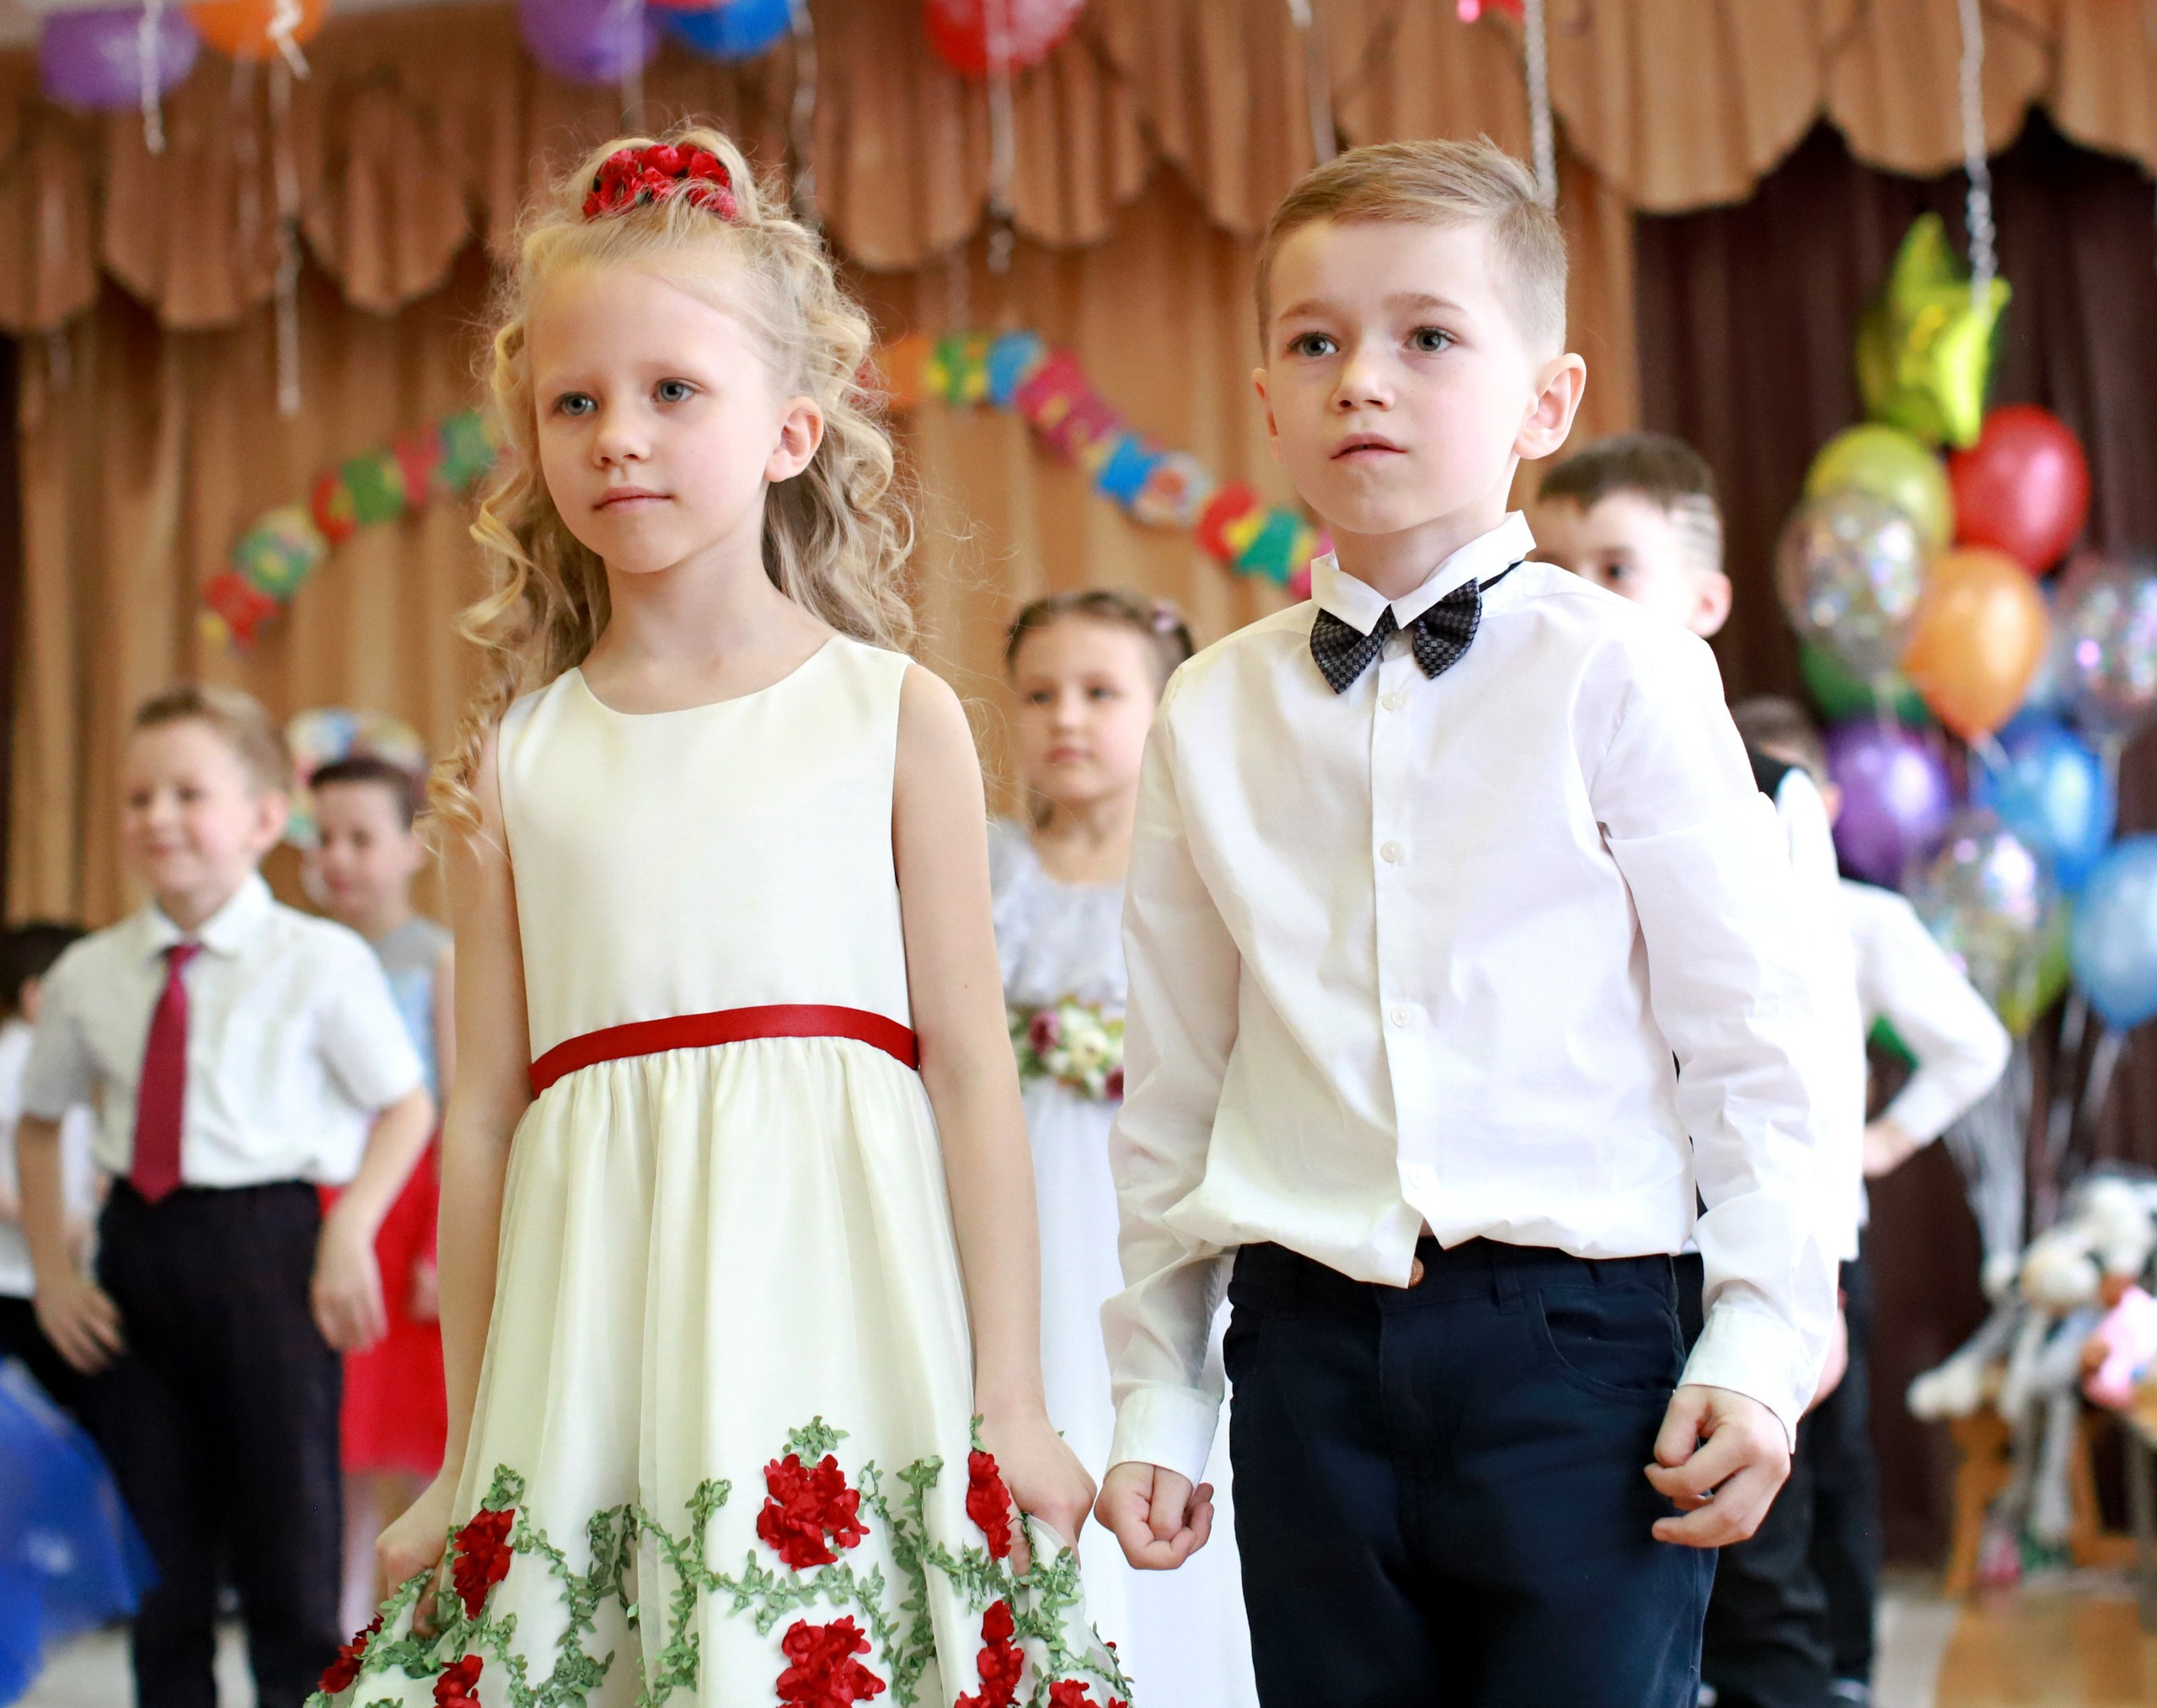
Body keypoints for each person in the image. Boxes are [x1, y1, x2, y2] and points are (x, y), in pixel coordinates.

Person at [353, 130, 1122, 1708]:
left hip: (846, 1306)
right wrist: (461, 1451)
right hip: (591, 1339)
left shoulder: (890, 715)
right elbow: (485, 1121)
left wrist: (1015, 1400)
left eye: (671, 392)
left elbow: (973, 1073)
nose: (617, 438)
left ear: (790, 429)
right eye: (575, 402)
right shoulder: (525, 756)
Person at [1096, 139, 1848, 1708]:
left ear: (1544, 402)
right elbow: (1174, 1082)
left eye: (1428, 336)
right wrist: (1161, 1392)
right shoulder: (1207, 710)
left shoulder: (1623, 670)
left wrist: (1763, 1340)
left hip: (1582, 1345)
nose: (1363, 377)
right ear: (1267, 397)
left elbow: (1754, 1042)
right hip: (1304, 1353)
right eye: (1317, 341)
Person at [15, 683, 435, 1708]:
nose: (157, 816)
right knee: (161, 1565)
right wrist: (57, 1273)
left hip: (275, 1255)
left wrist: (349, 1231)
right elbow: (38, 1120)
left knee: (290, 1553)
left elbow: (407, 1106)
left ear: (258, 818)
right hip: (140, 1260)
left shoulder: (320, 960)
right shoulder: (89, 973)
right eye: (137, 797)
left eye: (187, 793)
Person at [1534, 434, 1865, 1708]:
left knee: (1759, 1579)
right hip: (1608, 1245)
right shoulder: (1519, 776)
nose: (1584, 595)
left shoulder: (1768, 789)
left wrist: (1806, 1282)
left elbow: (1802, 1047)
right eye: (1557, 567)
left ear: (1706, 600)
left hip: (1743, 1237)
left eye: (1618, 565)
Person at [994, 589, 1258, 1708]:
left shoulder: (1202, 860)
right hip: (1018, 1191)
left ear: (1165, 706)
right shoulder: (987, 867)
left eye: (1103, 693)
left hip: (1149, 1188)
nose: (1068, 719)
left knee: (1148, 1408)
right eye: (1041, 694)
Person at [1732, 694, 2010, 1708]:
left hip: (1823, 1231)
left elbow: (1975, 1044)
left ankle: (1841, 1666)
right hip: (1711, 1224)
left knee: (1825, 1457)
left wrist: (1883, 1141)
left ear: (1821, 799)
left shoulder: (1862, 919)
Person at [304, 753, 456, 1637]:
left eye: (362, 837)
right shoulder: (306, 955)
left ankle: (422, 1625)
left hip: (406, 1210)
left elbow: (459, 1103)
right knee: (338, 1438)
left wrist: (442, 1244)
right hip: (326, 1206)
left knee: (412, 1432)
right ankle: (343, 1626)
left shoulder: (437, 958)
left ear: (414, 845)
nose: (340, 858)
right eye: (323, 838)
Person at [0, 922, 93, 1411]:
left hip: (53, 1273)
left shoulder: (69, 1065)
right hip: (14, 1277)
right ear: (37, 997)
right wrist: (49, 1222)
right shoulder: (13, 1060)